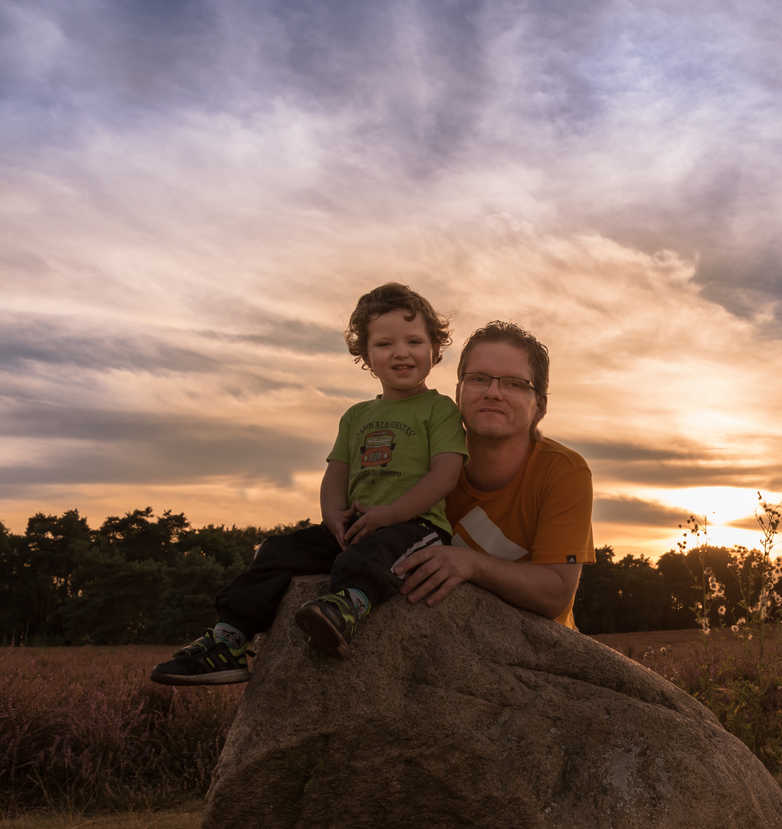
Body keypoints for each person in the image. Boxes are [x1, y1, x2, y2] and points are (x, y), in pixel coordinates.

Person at [150, 283, 467, 684]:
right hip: (356, 524)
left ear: (435, 350)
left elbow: (446, 474)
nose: (401, 352)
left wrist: (391, 513)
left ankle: (346, 608)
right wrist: (333, 516)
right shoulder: (356, 415)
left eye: (414, 341)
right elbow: (336, 472)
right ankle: (228, 641)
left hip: (416, 527)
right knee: (278, 551)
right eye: (385, 343)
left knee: (371, 553)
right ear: (366, 356)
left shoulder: (439, 409)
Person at [390, 321, 595, 628]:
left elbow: (556, 594)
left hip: (540, 648)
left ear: (539, 406)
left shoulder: (563, 472)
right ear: (458, 393)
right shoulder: (421, 461)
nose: (493, 392)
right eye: (478, 379)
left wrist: (471, 564)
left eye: (514, 383)